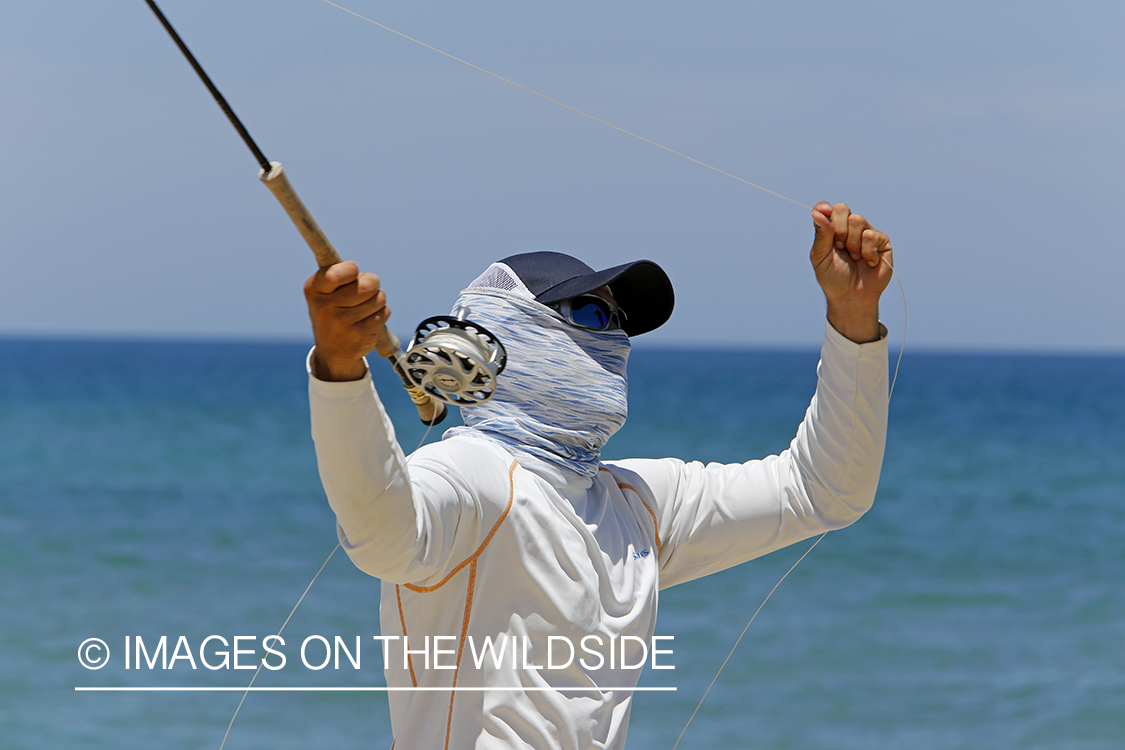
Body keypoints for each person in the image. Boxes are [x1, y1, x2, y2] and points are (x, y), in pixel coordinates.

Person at [303, 201, 892, 750]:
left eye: (618, 320)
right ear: (492, 342)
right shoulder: (470, 473)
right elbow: (382, 535)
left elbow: (827, 490)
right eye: (588, 312)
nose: (613, 337)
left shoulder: (637, 502)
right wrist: (339, 370)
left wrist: (852, 317)